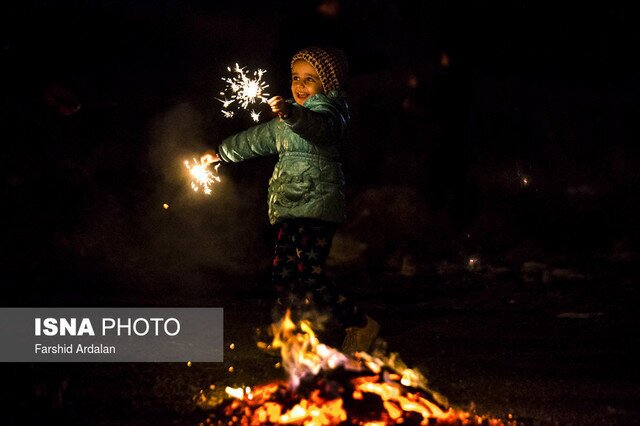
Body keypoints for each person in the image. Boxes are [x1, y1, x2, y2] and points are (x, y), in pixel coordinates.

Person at [201, 46, 379, 353]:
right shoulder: (284, 121)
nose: (299, 85)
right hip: (289, 206)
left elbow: (317, 128)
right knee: (283, 271)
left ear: (328, 84)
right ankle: (289, 331)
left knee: (310, 275)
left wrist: (292, 113)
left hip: (319, 207)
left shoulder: (331, 114)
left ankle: (361, 325)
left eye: (310, 79)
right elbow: (253, 140)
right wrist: (220, 153)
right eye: (296, 77)